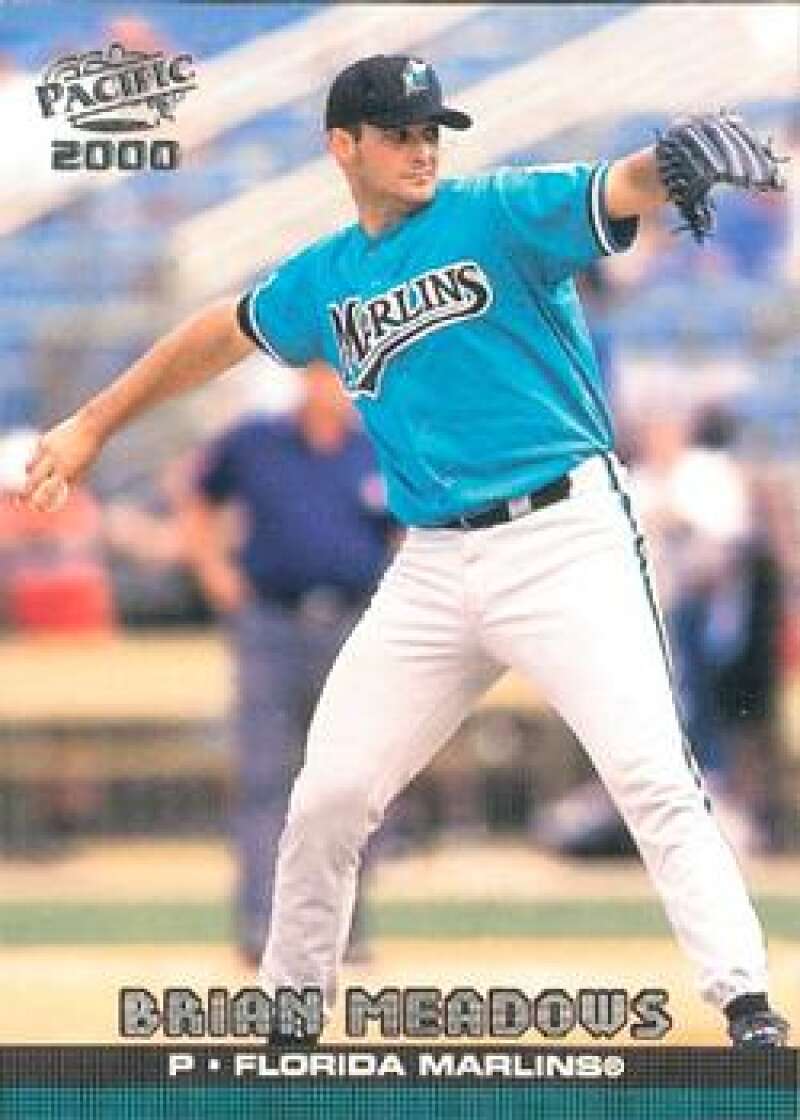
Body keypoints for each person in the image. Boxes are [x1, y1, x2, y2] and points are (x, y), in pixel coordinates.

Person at [20, 55, 789, 1047]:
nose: (421, 147)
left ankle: (745, 1004)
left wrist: (665, 160)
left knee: (650, 773)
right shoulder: (325, 276)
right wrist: (91, 423)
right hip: (432, 560)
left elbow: (618, 185)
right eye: (398, 132)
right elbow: (217, 333)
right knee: (330, 793)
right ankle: (290, 1013)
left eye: (430, 130)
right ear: (342, 146)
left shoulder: (495, 211)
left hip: (565, 540)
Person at [180, 361, 393, 964]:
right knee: (265, 778)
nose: (333, 390)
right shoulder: (255, 442)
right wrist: (214, 573)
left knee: (350, 780)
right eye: (324, 375)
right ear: (306, 378)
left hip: (353, 624)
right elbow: (196, 496)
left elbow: (410, 529)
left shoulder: (377, 447)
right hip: (272, 624)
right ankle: (261, 926)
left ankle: (342, 930)